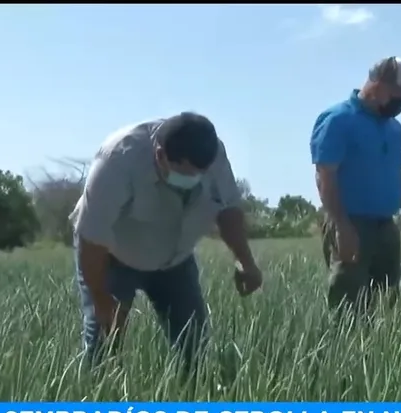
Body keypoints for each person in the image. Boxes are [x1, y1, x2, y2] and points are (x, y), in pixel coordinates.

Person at [69, 112, 262, 379]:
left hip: (175, 259)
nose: (192, 179)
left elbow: (228, 209)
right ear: (159, 154)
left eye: (198, 174)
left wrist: (245, 261)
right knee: (103, 349)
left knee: (195, 348)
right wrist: (101, 300)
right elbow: (91, 236)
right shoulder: (118, 159)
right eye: (183, 173)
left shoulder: (213, 154)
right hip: (114, 256)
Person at [310, 56, 401, 314]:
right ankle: (344, 353)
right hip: (350, 223)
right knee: (348, 307)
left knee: (387, 302)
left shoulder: (395, 129)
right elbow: (324, 177)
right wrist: (342, 226)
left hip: (386, 225)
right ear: (376, 85)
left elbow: (398, 174)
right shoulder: (337, 120)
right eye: (397, 94)